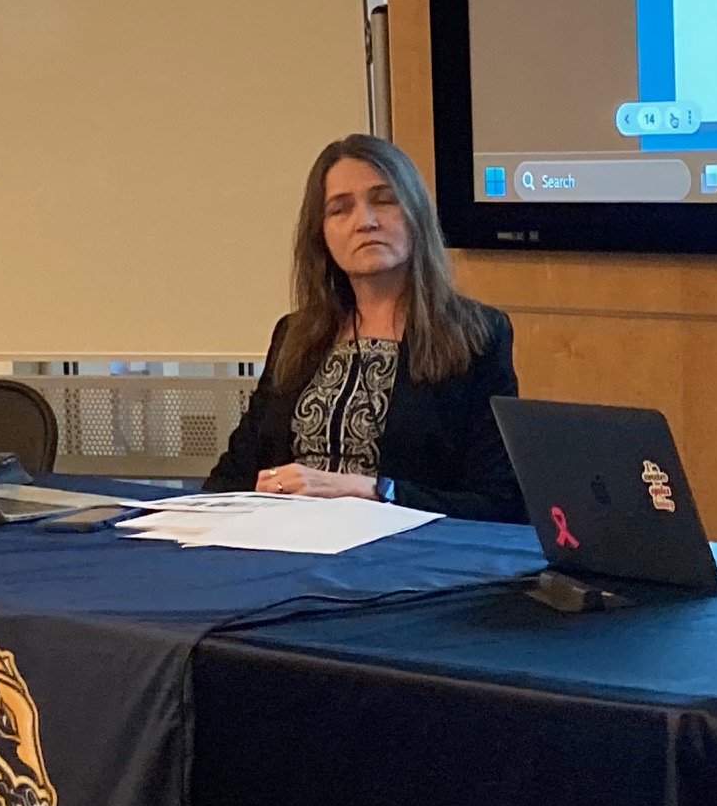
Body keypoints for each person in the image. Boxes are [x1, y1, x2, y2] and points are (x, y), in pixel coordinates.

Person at [206, 134, 526, 522]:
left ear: (416, 214)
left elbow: (500, 506)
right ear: (320, 235)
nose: (366, 222)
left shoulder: (477, 335)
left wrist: (374, 491)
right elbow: (230, 478)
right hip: (284, 549)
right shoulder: (294, 335)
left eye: (384, 200)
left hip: (403, 561)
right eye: (340, 209)